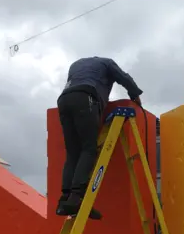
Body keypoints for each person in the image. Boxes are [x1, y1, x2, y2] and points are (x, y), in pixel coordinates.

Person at [56, 56, 143, 218]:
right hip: (86, 98)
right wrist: (135, 95)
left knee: (72, 152)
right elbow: (123, 77)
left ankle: (64, 200)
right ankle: (76, 198)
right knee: (88, 148)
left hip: (64, 100)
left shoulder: (75, 64)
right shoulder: (106, 62)